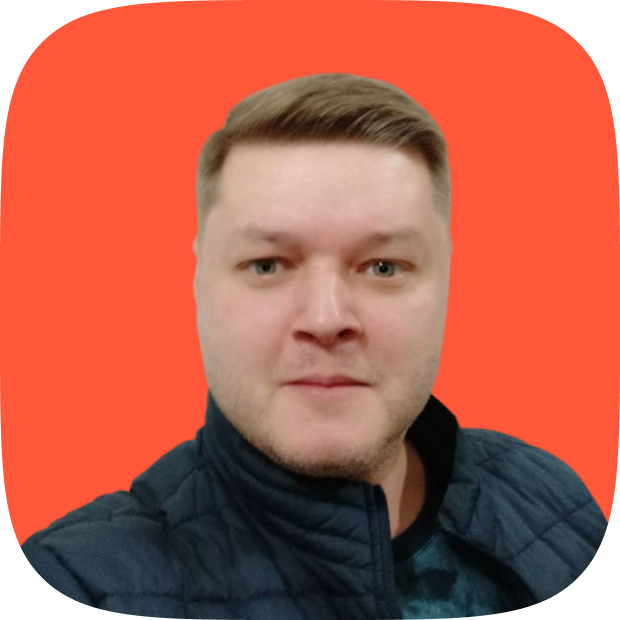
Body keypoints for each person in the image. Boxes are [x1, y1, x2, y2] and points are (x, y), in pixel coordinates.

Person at [21, 73, 607, 618]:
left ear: (448, 282)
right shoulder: (79, 580)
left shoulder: (549, 494)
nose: (326, 320)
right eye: (268, 264)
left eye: (382, 266)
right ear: (199, 283)